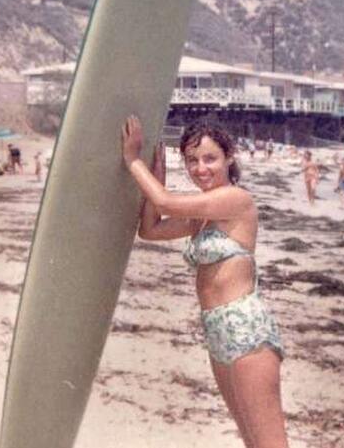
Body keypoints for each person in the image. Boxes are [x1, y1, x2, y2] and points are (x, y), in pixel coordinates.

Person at [122, 116, 288, 448]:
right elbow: (150, 229)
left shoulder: (235, 199)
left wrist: (132, 159)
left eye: (210, 158)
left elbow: (166, 203)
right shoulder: (203, 214)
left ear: (229, 157)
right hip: (217, 329)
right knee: (251, 442)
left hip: (246, 329)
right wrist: (158, 173)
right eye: (192, 161)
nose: (200, 168)